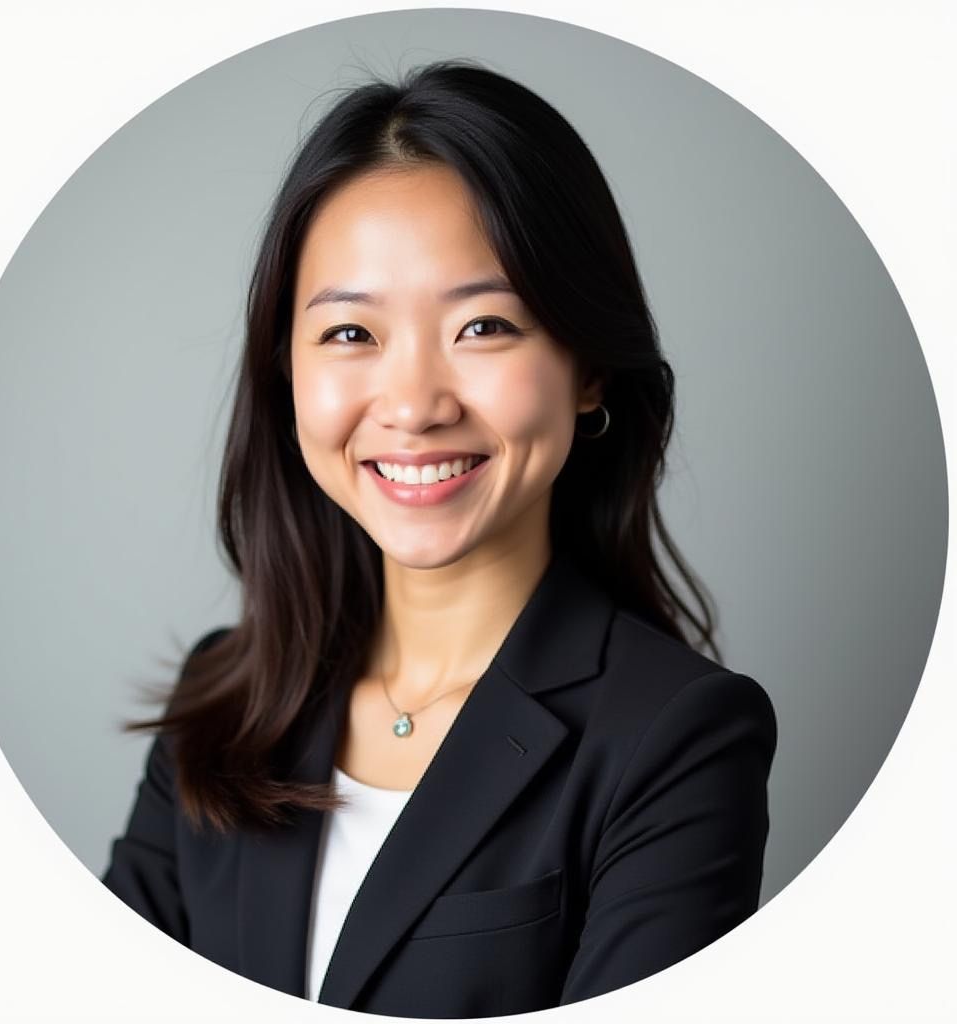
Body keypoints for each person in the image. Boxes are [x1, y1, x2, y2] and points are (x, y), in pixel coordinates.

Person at [102, 58, 777, 1018]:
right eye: (349, 335)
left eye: (485, 325)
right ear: (284, 372)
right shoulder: (229, 698)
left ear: (589, 371)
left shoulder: (677, 739)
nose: (414, 406)